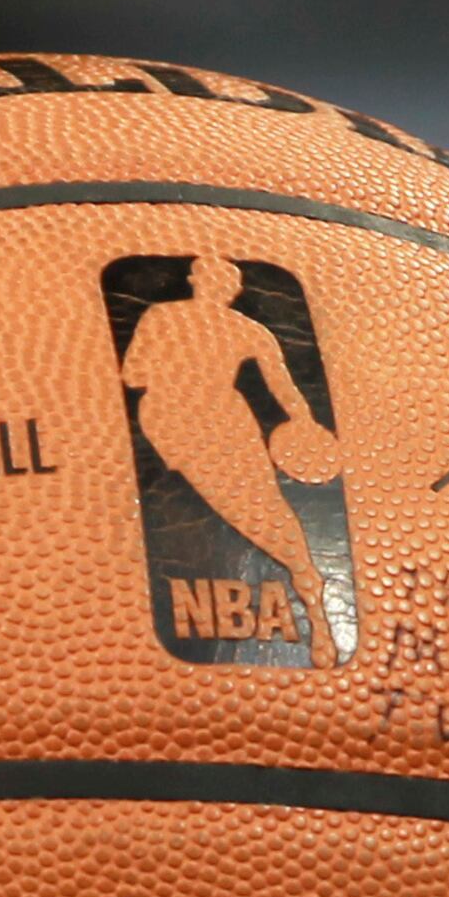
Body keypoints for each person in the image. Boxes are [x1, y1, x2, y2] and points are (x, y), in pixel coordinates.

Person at [123, 257, 340, 665]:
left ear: (196, 282)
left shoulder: (162, 315)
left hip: (178, 417)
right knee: (260, 508)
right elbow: (287, 393)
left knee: (254, 509)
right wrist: (305, 424)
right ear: (231, 291)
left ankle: (311, 599)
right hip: (210, 416)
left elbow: (134, 375)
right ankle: (313, 601)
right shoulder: (248, 330)